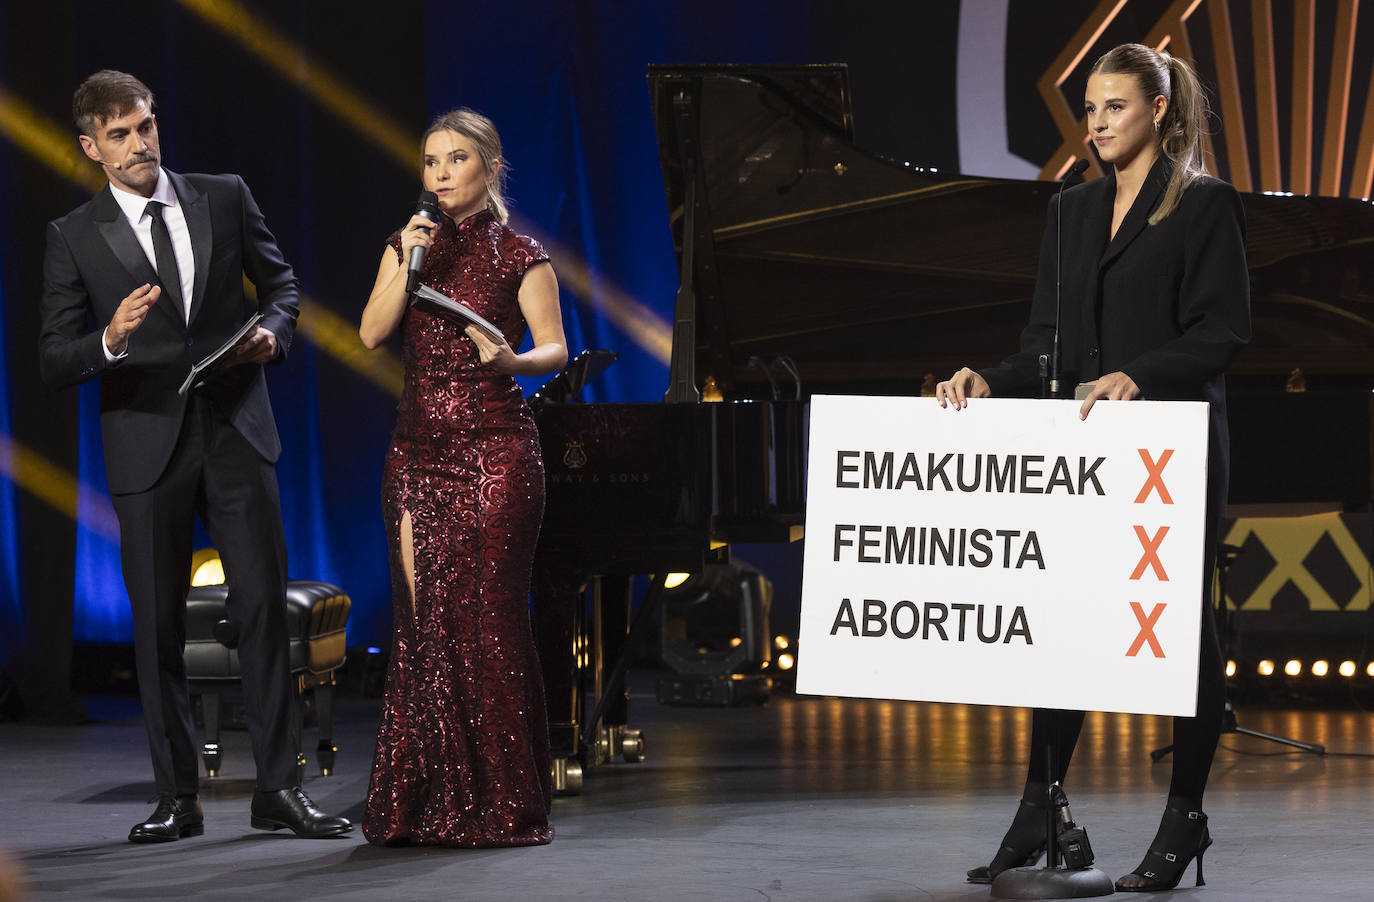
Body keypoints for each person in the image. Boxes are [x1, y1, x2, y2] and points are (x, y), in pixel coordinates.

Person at [936, 44, 1250, 892]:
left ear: (1157, 108)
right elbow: (1046, 343)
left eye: (1114, 107)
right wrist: (988, 382)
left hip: (1170, 445)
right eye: (1090, 110)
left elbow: (1223, 331)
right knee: (1065, 624)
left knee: (1185, 631)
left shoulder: (1205, 204)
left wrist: (1140, 375)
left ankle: (1183, 818)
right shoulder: (1071, 211)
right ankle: (1040, 804)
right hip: (1083, 445)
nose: (1098, 123)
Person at [39, 70, 351, 842]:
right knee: (156, 629)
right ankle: (178, 798)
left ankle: (279, 790)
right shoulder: (73, 236)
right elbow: (53, 358)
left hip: (237, 429)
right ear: (91, 148)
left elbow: (280, 285)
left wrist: (275, 331)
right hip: (146, 445)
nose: (140, 143)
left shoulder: (222, 193)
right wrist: (110, 337)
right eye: (120, 135)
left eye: (145, 125)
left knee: (262, 610)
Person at [359, 108, 566, 847]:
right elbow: (372, 334)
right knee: (423, 624)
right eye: (430, 162)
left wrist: (511, 362)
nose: (441, 173)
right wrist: (407, 261)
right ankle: (424, 804)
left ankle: (504, 803)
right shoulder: (405, 244)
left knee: (487, 619)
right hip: (417, 453)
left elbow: (555, 350)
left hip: (496, 448)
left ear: (490, 167)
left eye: (456, 159)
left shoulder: (520, 253)